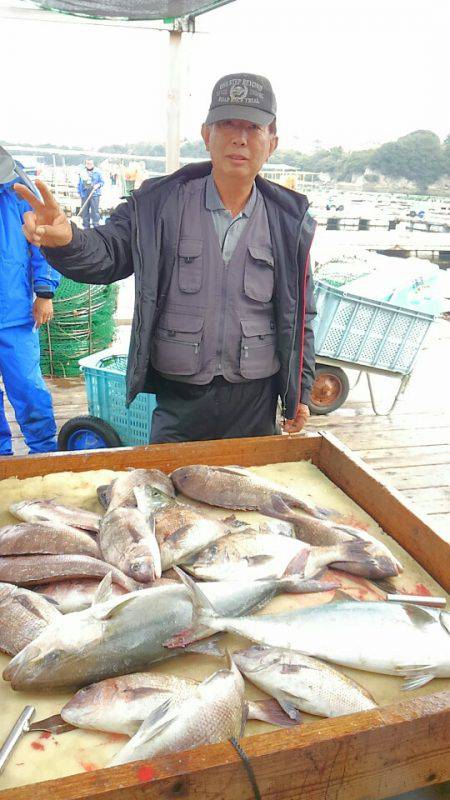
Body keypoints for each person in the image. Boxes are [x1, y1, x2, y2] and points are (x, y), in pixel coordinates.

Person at [16, 72, 316, 444]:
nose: (240, 138)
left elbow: (302, 314)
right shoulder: (158, 204)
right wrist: (66, 241)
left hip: (255, 400)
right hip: (179, 400)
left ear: (272, 143)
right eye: (227, 124)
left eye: (253, 127)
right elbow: (107, 253)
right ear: (206, 134)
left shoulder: (290, 222)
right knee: (168, 481)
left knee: (251, 481)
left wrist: (301, 391)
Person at [0, 159, 60, 454]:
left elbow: (43, 241)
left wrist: (45, 292)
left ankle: (44, 452)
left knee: (27, 386)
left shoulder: (19, 190)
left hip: (15, 314)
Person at [77, 158, 104, 229]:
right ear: (86, 164)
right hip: (85, 194)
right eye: (88, 163)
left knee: (95, 211)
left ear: (93, 164)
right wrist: (79, 192)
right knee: (85, 211)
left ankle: (96, 227)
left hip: (95, 194)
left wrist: (98, 185)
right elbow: (79, 183)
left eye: (91, 164)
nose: (89, 165)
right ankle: (86, 227)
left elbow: (102, 182)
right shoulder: (82, 172)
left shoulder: (98, 172)